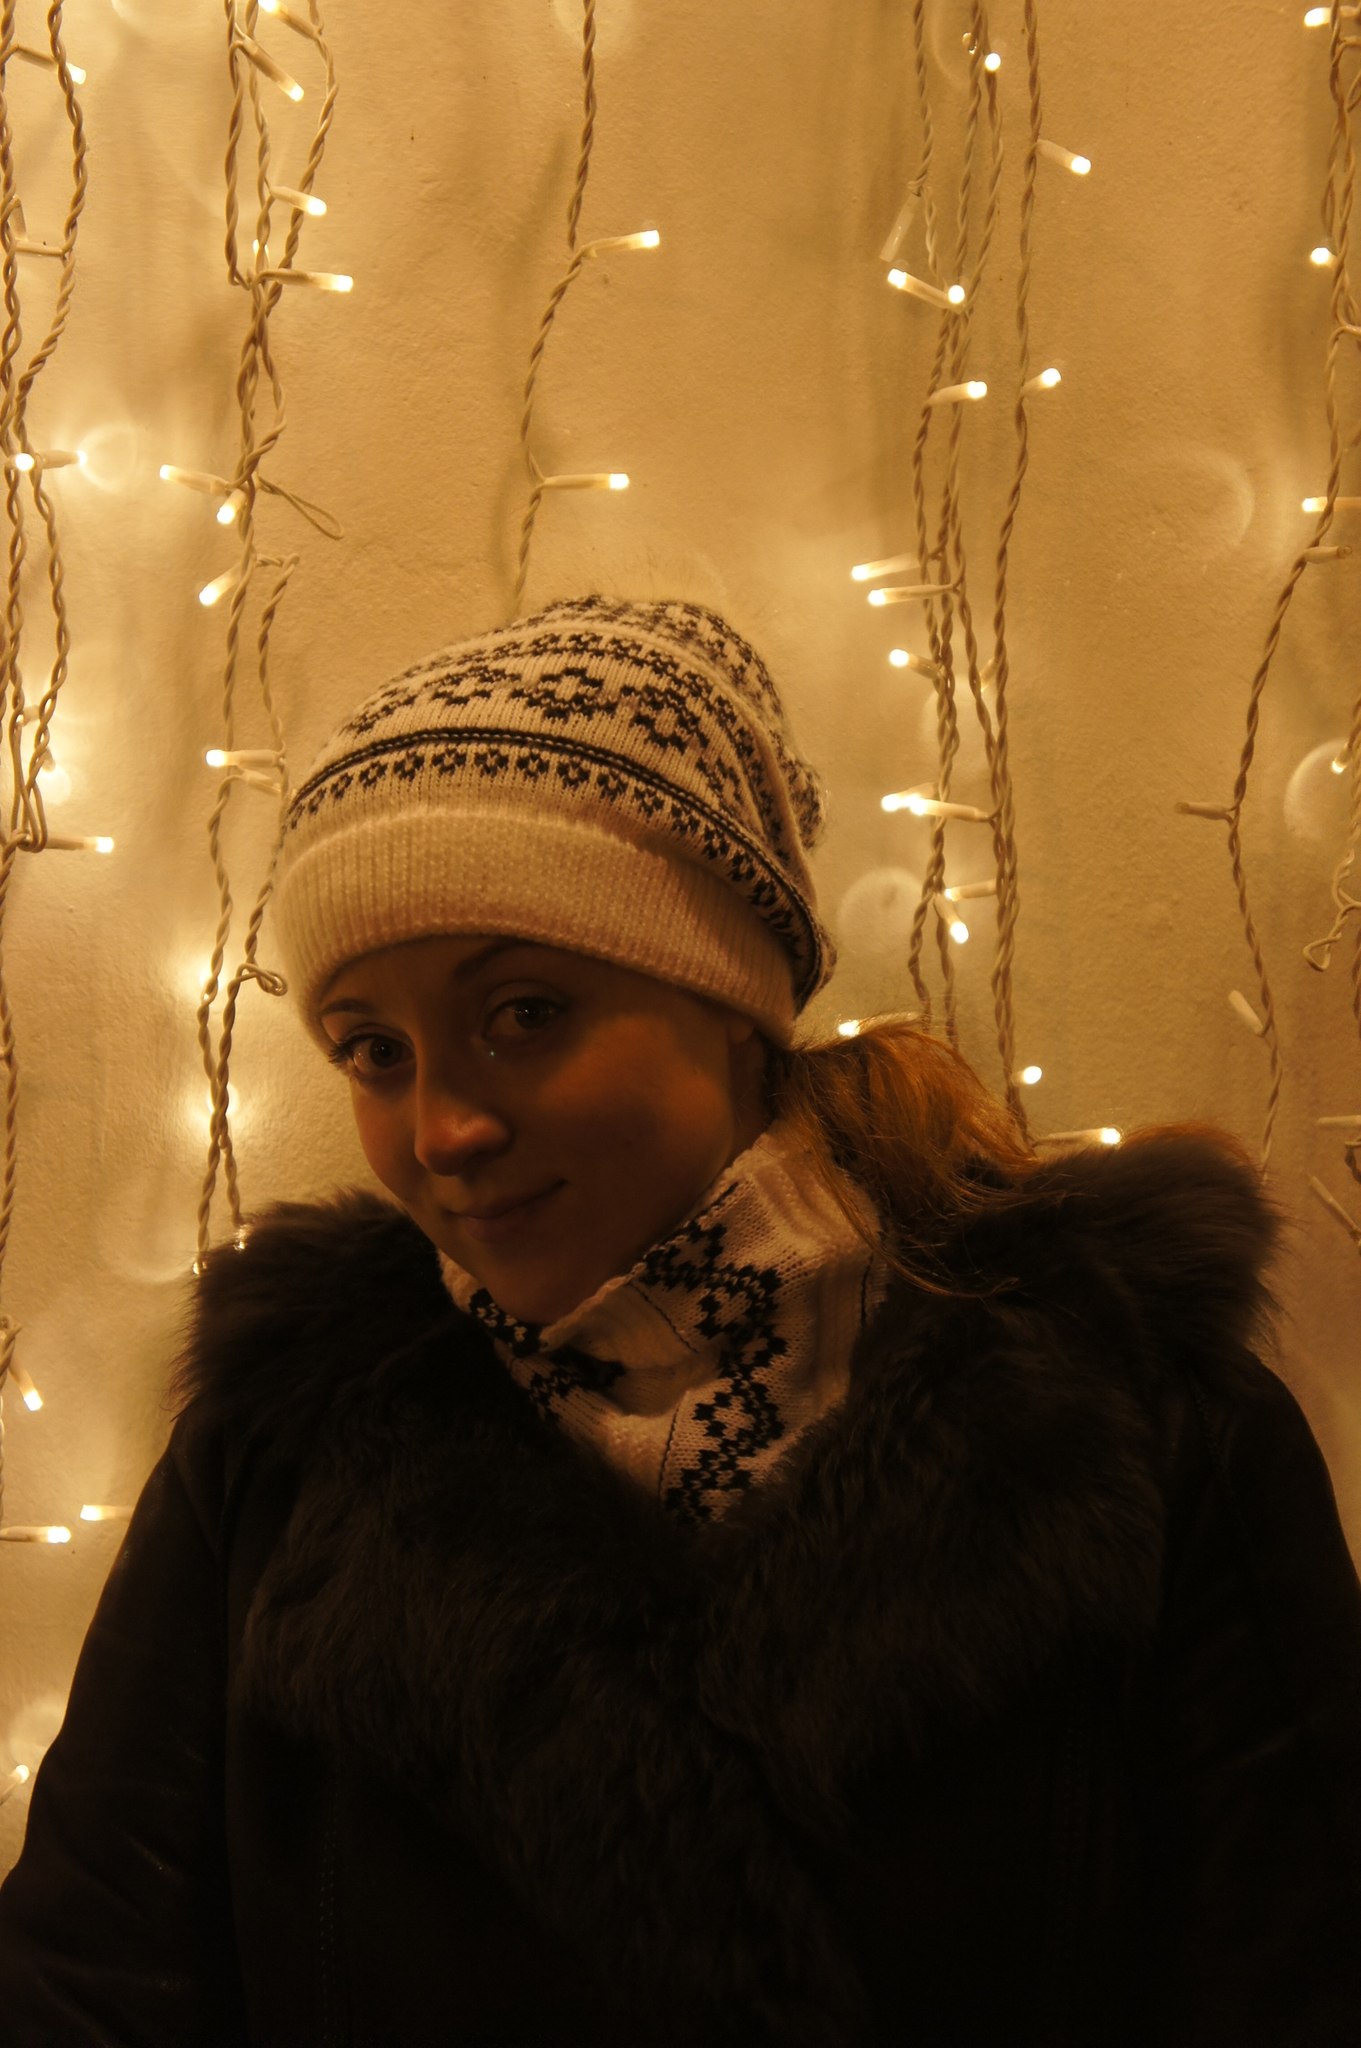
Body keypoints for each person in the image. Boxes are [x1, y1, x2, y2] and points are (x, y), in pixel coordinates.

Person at [1, 592, 1359, 2048]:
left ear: (732, 1001)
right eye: (373, 1050)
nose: (443, 1129)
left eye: (524, 1012)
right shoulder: (281, 1453)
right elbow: (90, 1979)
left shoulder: (1143, 1420)